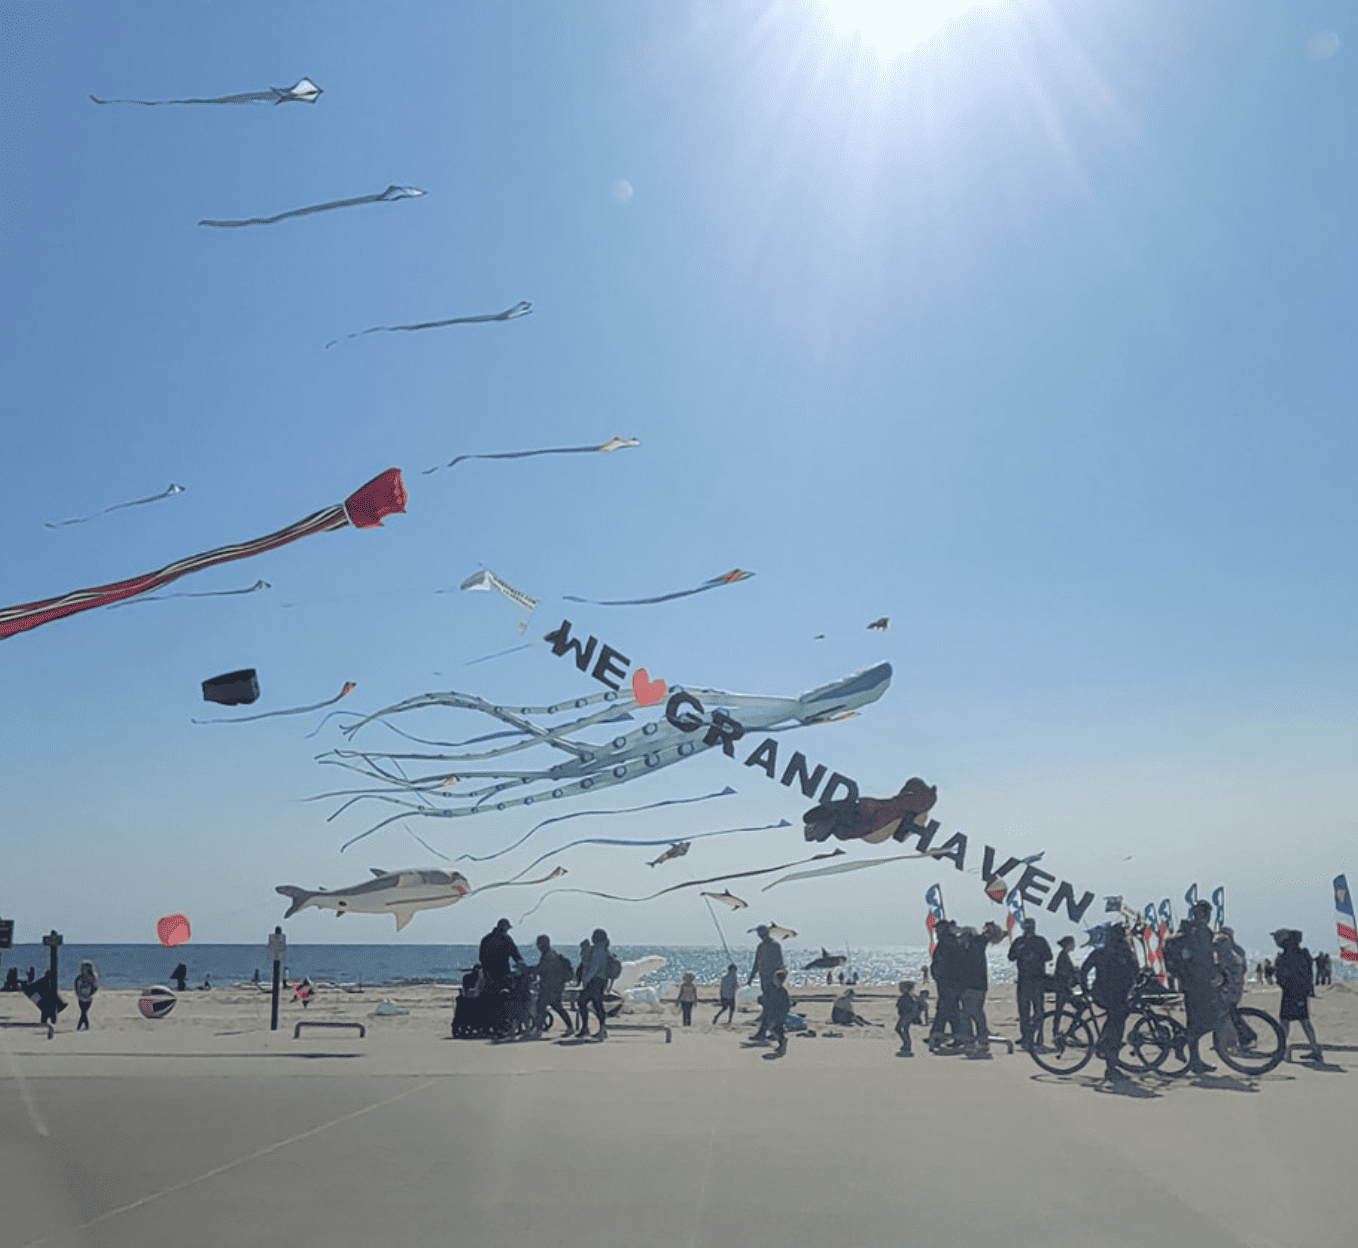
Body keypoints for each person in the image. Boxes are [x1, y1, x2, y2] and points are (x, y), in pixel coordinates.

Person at [1166, 900, 1225, 1074]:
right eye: (1200, 913)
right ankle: (1190, 1053)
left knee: (1201, 1022)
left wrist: (1216, 971)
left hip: (1200, 982)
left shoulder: (1203, 932)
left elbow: (1207, 958)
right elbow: (1199, 959)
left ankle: (1190, 1053)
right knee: (1202, 1021)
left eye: (1204, 914)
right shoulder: (1192, 933)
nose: (1202, 917)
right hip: (1194, 983)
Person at [1081, 923, 1139, 1080]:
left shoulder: (1107, 951)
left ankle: (1106, 1044)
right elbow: (1135, 970)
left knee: (1116, 1019)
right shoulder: (1118, 952)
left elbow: (1085, 969)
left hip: (1108, 994)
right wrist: (1084, 988)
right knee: (1117, 1022)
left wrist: (1085, 987)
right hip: (1109, 995)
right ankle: (1110, 1064)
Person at [1272, 929, 1323, 1063]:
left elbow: (1287, 974)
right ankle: (1315, 1049)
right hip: (1298, 992)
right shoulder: (1300, 953)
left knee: (1289, 1021)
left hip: (1292, 992)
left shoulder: (1290, 955)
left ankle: (1282, 1050)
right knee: (1300, 1021)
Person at [1007, 918, 1053, 1050]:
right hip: (1023, 981)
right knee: (1023, 1012)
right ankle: (1026, 1036)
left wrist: (1036, 955)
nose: (1029, 930)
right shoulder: (1019, 941)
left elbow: (1049, 956)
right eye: (1027, 927)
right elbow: (1010, 957)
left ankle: (1039, 1037)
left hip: (1038, 981)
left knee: (1039, 1011)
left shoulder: (1040, 941)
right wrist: (1019, 951)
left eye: (1031, 927)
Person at [1212, 926, 1253, 1051]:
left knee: (1228, 1014)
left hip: (1230, 989)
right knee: (1232, 1014)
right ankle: (1244, 1037)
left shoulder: (1229, 956)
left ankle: (1236, 1040)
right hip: (1235, 987)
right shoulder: (1237, 952)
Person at [928, 920, 963, 1052]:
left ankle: (946, 1035)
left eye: (939, 930)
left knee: (949, 1009)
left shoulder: (948, 943)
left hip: (949, 983)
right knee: (946, 1009)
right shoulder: (946, 943)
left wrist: (939, 974)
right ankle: (937, 1034)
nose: (936, 933)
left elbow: (947, 964)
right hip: (945, 983)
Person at [956, 927, 991, 1057]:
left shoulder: (976, 945)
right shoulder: (965, 949)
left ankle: (973, 1042)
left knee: (969, 1015)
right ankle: (982, 1041)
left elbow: (986, 936)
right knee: (977, 1013)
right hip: (969, 986)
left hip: (975, 986)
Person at [747, 925, 785, 1042]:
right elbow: (756, 963)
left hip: (773, 982)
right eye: (759, 934)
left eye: (762, 933)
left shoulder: (775, 945)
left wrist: (778, 981)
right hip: (764, 981)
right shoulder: (761, 946)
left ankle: (764, 1033)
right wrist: (751, 978)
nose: (761, 936)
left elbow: (780, 964)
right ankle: (770, 1032)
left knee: (770, 1008)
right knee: (768, 1008)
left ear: (767, 933)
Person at [531, 935, 573, 1036]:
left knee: (541, 1006)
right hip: (555, 986)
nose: (538, 946)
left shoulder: (548, 955)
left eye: (539, 944)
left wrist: (528, 970)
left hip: (549, 987)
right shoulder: (552, 953)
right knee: (556, 1006)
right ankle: (570, 1027)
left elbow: (541, 969)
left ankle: (539, 1030)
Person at [577, 928, 612, 1040]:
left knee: (585, 1002)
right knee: (596, 1004)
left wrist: (586, 979)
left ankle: (591, 1028)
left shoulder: (599, 950)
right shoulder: (601, 949)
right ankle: (601, 1029)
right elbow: (587, 961)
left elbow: (594, 967)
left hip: (596, 981)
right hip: (601, 981)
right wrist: (584, 950)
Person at [478, 918, 523, 991]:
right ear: (505, 928)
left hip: (488, 975)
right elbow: (516, 956)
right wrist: (522, 966)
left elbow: (481, 958)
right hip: (503, 974)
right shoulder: (506, 939)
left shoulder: (486, 939)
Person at [762, 968, 793, 1057]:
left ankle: (783, 1044)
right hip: (776, 1013)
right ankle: (781, 1044)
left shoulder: (782, 991)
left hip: (780, 1014)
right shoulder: (777, 989)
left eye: (774, 977)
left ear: (778, 979)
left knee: (775, 1029)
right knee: (777, 1030)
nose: (773, 979)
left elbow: (785, 1004)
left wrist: (783, 1014)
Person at [1052, 935, 1079, 1032]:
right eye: (1073, 943)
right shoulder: (1063, 956)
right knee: (1081, 1006)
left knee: (1059, 1010)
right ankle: (1071, 1030)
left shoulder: (1064, 955)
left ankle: (1056, 1030)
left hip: (1063, 987)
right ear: (1068, 944)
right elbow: (1064, 972)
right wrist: (1074, 972)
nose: (1074, 945)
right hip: (1063, 988)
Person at [895, 981, 922, 1055]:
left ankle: (907, 1045)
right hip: (905, 1015)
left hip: (907, 1015)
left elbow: (912, 1007)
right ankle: (906, 1045)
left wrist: (915, 1016)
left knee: (899, 1028)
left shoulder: (908, 997)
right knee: (905, 1029)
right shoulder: (907, 996)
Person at [73, 959, 99, 1031]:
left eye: (86, 968)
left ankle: (80, 1027)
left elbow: (95, 987)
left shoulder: (92, 978)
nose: (85, 969)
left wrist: (90, 994)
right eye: (84, 968)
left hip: (88, 998)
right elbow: (76, 987)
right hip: (81, 997)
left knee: (84, 1012)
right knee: (83, 1012)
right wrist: (79, 994)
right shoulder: (79, 978)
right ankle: (84, 1027)